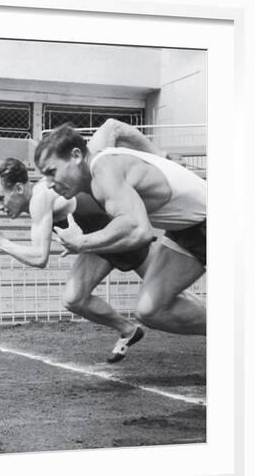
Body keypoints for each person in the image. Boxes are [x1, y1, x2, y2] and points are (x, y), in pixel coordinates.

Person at [33, 119, 206, 336]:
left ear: (76, 156)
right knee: (149, 311)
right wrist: (161, 155)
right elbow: (113, 126)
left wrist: (82, 242)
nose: (48, 183)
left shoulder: (103, 169)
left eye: (51, 172)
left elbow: (139, 230)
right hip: (183, 230)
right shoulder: (93, 164)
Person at [0, 157, 156, 362]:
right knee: (73, 299)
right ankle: (128, 329)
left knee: (166, 300)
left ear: (18, 188)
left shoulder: (39, 197)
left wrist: (2, 243)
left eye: (1, 198)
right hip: (95, 243)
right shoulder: (36, 203)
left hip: (117, 233)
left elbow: (39, 258)